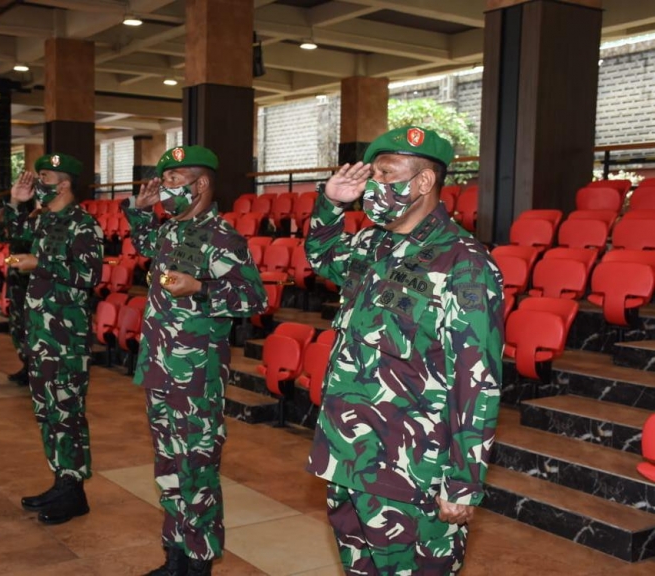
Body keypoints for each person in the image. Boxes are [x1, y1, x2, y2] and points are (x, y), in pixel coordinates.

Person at [305, 126, 503, 575]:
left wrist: (463, 481)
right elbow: (321, 256)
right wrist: (331, 204)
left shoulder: (465, 262)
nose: (373, 186)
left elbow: (477, 380)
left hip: (411, 471)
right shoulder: (371, 243)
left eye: (385, 174)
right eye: (372, 176)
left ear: (423, 182)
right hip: (347, 456)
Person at [126, 146, 268, 576]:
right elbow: (143, 243)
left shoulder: (222, 237)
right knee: (168, 466)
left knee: (197, 468)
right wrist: (140, 212)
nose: (166, 187)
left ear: (200, 184)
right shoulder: (170, 231)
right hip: (159, 366)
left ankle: (199, 561)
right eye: (165, 179)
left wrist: (200, 288)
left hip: (196, 376)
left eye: (174, 179)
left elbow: (254, 298)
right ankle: (175, 555)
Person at [5, 153, 103, 525]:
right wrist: (16, 203)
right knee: (47, 410)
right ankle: (61, 478)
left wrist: (41, 263)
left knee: (67, 412)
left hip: (66, 336)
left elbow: (89, 275)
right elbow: (11, 239)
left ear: (63, 184)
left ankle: (74, 489)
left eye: (43, 176)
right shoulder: (42, 219)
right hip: (40, 332)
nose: (37, 182)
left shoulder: (84, 224)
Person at [0, 198, 35, 386]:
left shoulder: (38, 217)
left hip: (31, 282)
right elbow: (3, 239)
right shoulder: (16, 218)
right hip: (17, 282)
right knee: (18, 327)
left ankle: (35, 369)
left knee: (31, 327)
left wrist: (13, 260)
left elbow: (23, 240)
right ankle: (26, 365)